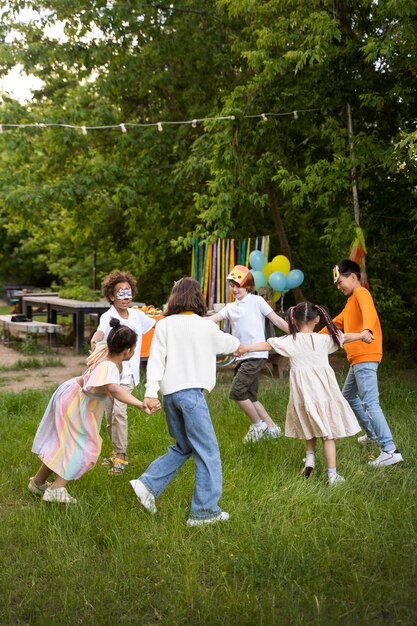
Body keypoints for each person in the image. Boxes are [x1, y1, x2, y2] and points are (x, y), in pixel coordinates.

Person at [129, 277, 240, 527]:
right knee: (208, 452)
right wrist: (240, 345)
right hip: (191, 396)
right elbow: (229, 344)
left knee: (184, 446)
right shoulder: (205, 326)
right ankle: (204, 512)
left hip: (170, 396)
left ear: (174, 297)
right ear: (198, 298)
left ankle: (147, 485)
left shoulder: (165, 324)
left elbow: (156, 360)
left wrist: (150, 391)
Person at [236, 301, 370, 485]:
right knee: (327, 433)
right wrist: (362, 335)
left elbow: (267, 345)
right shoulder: (323, 339)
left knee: (309, 423)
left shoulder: (291, 341)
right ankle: (332, 475)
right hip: (324, 393)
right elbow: (345, 337)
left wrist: (246, 348)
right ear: (317, 320)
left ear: (294, 320)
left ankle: (310, 458)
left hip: (304, 394)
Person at [28, 319, 158, 504]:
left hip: (72, 394)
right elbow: (114, 389)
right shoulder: (109, 366)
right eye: (134, 348)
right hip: (77, 404)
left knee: (65, 444)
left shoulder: (106, 349)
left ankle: (38, 482)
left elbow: (99, 342)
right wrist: (139, 404)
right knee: (84, 448)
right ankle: (57, 488)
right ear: (128, 350)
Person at [323, 259, 403, 467]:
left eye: (340, 282)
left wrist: (366, 330)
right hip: (358, 359)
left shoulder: (361, 293)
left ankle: (389, 450)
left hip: (365, 356)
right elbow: (334, 326)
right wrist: (309, 338)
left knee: (370, 403)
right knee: (348, 395)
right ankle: (372, 434)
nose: (339, 287)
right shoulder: (350, 304)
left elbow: (369, 312)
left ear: (353, 277)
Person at [208, 264, 289, 444]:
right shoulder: (230, 307)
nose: (235, 289)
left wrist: (295, 332)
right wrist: (191, 320)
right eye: (232, 285)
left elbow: (275, 319)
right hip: (241, 356)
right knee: (250, 396)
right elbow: (213, 319)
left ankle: (258, 425)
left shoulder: (256, 301)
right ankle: (273, 428)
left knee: (237, 392)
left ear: (248, 286)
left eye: (239, 285)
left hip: (256, 354)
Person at [90, 270, 156, 474]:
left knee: (119, 412)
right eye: (120, 293)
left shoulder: (138, 315)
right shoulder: (107, 316)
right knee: (109, 416)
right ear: (111, 295)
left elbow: (156, 324)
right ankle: (114, 451)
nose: (125, 297)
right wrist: (95, 339)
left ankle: (121, 456)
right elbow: (100, 332)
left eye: (128, 293)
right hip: (111, 374)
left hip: (129, 375)